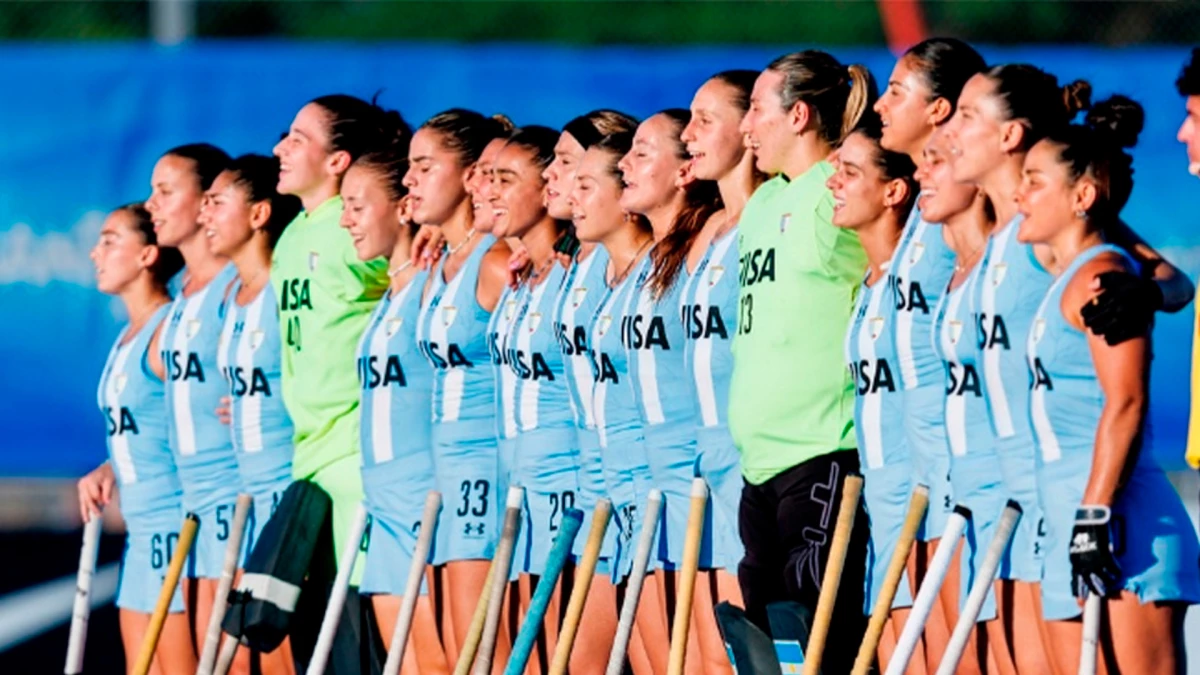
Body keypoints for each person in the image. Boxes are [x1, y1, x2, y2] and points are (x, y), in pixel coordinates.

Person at [944, 64, 1193, 674]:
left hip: (1107, 521)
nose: (953, 133)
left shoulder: (1091, 262)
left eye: (968, 116)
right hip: (1045, 513)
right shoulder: (1035, 257)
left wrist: (1093, 515)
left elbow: (1131, 387)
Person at [1016, 94, 1200, 674]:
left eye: (1035, 181)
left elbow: (1126, 402)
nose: (1020, 194)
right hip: (1066, 520)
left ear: (1081, 196)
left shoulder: (1104, 273)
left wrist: (1094, 515)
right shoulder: (1062, 273)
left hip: (1120, 528)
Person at [731, 50, 873, 673]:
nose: (746, 126)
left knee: (824, 645)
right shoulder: (763, 203)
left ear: (799, 115)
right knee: (771, 647)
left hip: (821, 454)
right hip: (758, 464)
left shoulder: (836, 189)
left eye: (758, 110)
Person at [272, 94, 408, 671]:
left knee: (360, 646)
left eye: (298, 138)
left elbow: (413, 270)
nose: (280, 148)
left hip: (355, 457)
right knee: (309, 645)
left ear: (337, 160)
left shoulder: (351, 229)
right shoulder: (292, 236)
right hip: (307, 460)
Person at [872, 38, 989, 672]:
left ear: (940, 109)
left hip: (966, 463)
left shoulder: (973, 196)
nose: (884, 106)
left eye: (899, 92)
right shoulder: (926, 202)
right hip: (912, 468)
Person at [406, 109, 513, 670]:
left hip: (486, 472)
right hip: (443, 474)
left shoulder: (494, 262)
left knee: (485, 657)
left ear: (471, 175)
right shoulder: (437, 261)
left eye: (425, 167)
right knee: (454, 657)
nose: (409, 180)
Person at [342, 140, 449, 675]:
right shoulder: (389, 294)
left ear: (403, 207)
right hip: (381, 505)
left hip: (423, 504)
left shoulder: (436, 284)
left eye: (357, 207)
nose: (345, 222)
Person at [544, 110, 639, 675]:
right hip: (584, 483)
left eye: (573, 169)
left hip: (637, 476)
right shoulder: (575, 261)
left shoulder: (634, 261)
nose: (553, 179)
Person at [825, 122, 921, 674]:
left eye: (850, 172)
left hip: (923, 504)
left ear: (894, 191)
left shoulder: (923, 269)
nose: (833, 183)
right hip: (880, 507)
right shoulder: (866, 281)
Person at [202, 154, 302, 675]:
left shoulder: (287, 289)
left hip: (286, 493)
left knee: (279, 651)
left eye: (217, 204)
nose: (205, 217)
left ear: (260, 213)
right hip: (247, 492)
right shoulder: (229, 298)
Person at [81, 203, 191, 675]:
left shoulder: (172, 329)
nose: (94, 253)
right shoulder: (128, 333)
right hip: (141, 535)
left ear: (147, 255)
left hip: (178, 530)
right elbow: (148, 422)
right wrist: (109, 467)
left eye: (110, 240)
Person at [144, 143, 243, 653]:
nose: (151, 205)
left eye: (165, 192)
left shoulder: (236, 285)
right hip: (191, 503)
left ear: (207, 200)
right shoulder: (184, 292)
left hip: (233, 495)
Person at [677, 69, 760, 675]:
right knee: (700, 649)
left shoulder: (770, 213)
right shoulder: (707, 227)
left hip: (747, 454)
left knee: (739, 646)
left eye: (707, 119)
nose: (690, 133)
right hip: (696, 457)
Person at [491, 126, 579, 671]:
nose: (490, 190)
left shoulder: (572, 272)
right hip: (518, 482)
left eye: (506, 178)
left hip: (566, 480)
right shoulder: (522, 275)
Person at [572, 132, 657, 675]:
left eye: (584, 182)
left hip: (654, 483)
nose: (569, 194)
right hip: (600, 486)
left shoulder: (658, 267)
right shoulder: (592, 272)